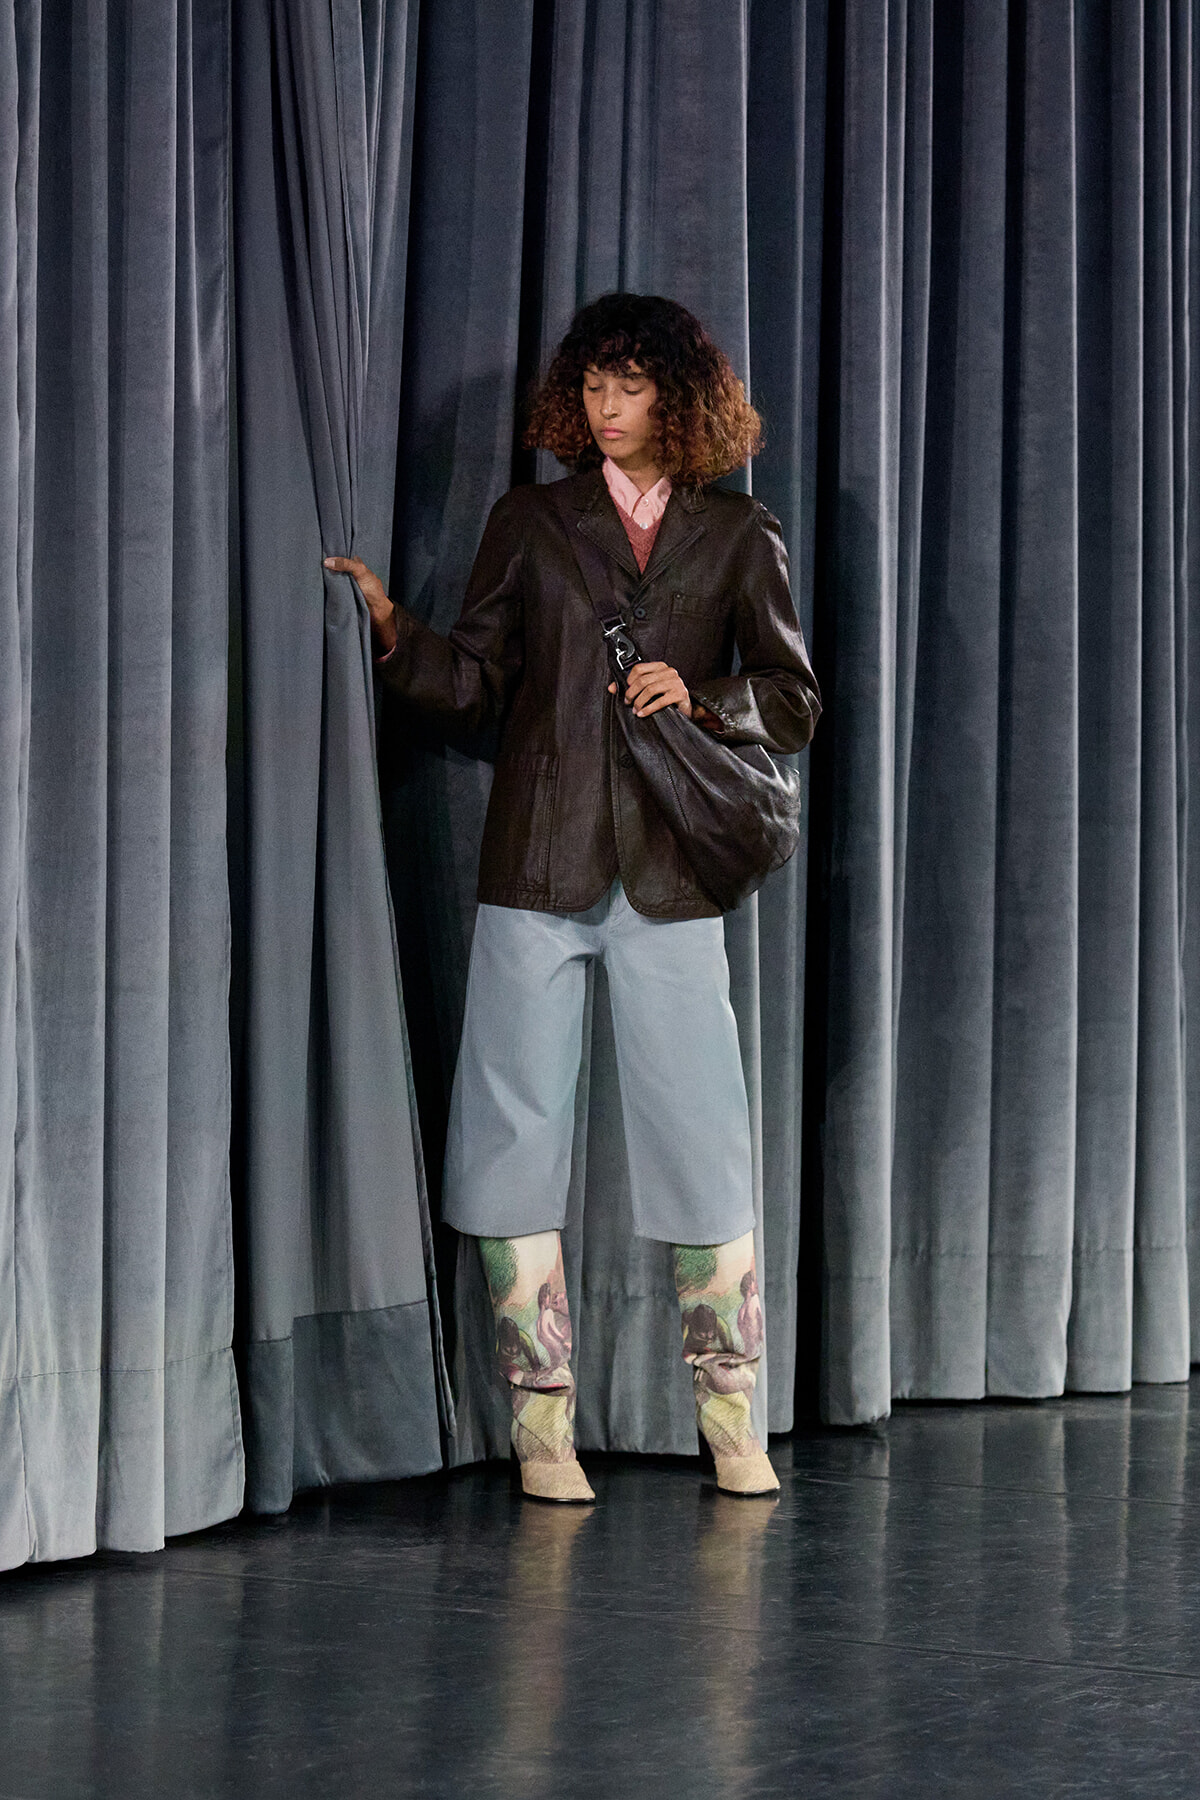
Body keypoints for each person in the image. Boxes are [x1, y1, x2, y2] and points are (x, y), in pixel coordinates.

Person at [325, 291, 820, 1503]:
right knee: (509, 1143)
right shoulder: (533, 521)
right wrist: (397, 633)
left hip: (671, 873)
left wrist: (702, 697)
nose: (606, 410)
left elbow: (794, 701)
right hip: (536, 867)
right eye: (592, 388)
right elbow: (480, 682)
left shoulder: (739, 533)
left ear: (679, 399)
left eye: (631, 388)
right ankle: (541, 1434)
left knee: (703, 1147)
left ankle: (731, 1422)